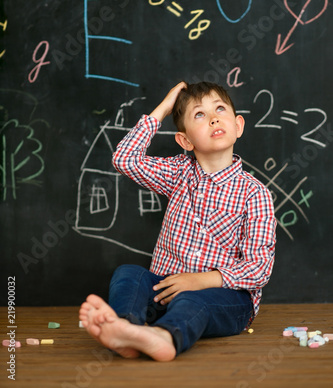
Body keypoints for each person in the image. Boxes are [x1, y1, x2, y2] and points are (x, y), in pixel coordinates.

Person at [79, 81, 276, 362]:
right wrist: (164, 108)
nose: (213, 117)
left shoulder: (254, 193)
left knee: (192, 300)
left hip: (224, 299)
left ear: (238, 125)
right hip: (165, 290)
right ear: (185, 141)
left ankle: (166, 338)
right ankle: (126, 329)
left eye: (220, 109)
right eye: (199, 114)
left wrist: (199, 281)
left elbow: (259, 268)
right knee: (128, 274)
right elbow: (125, 159)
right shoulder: (178, 173)